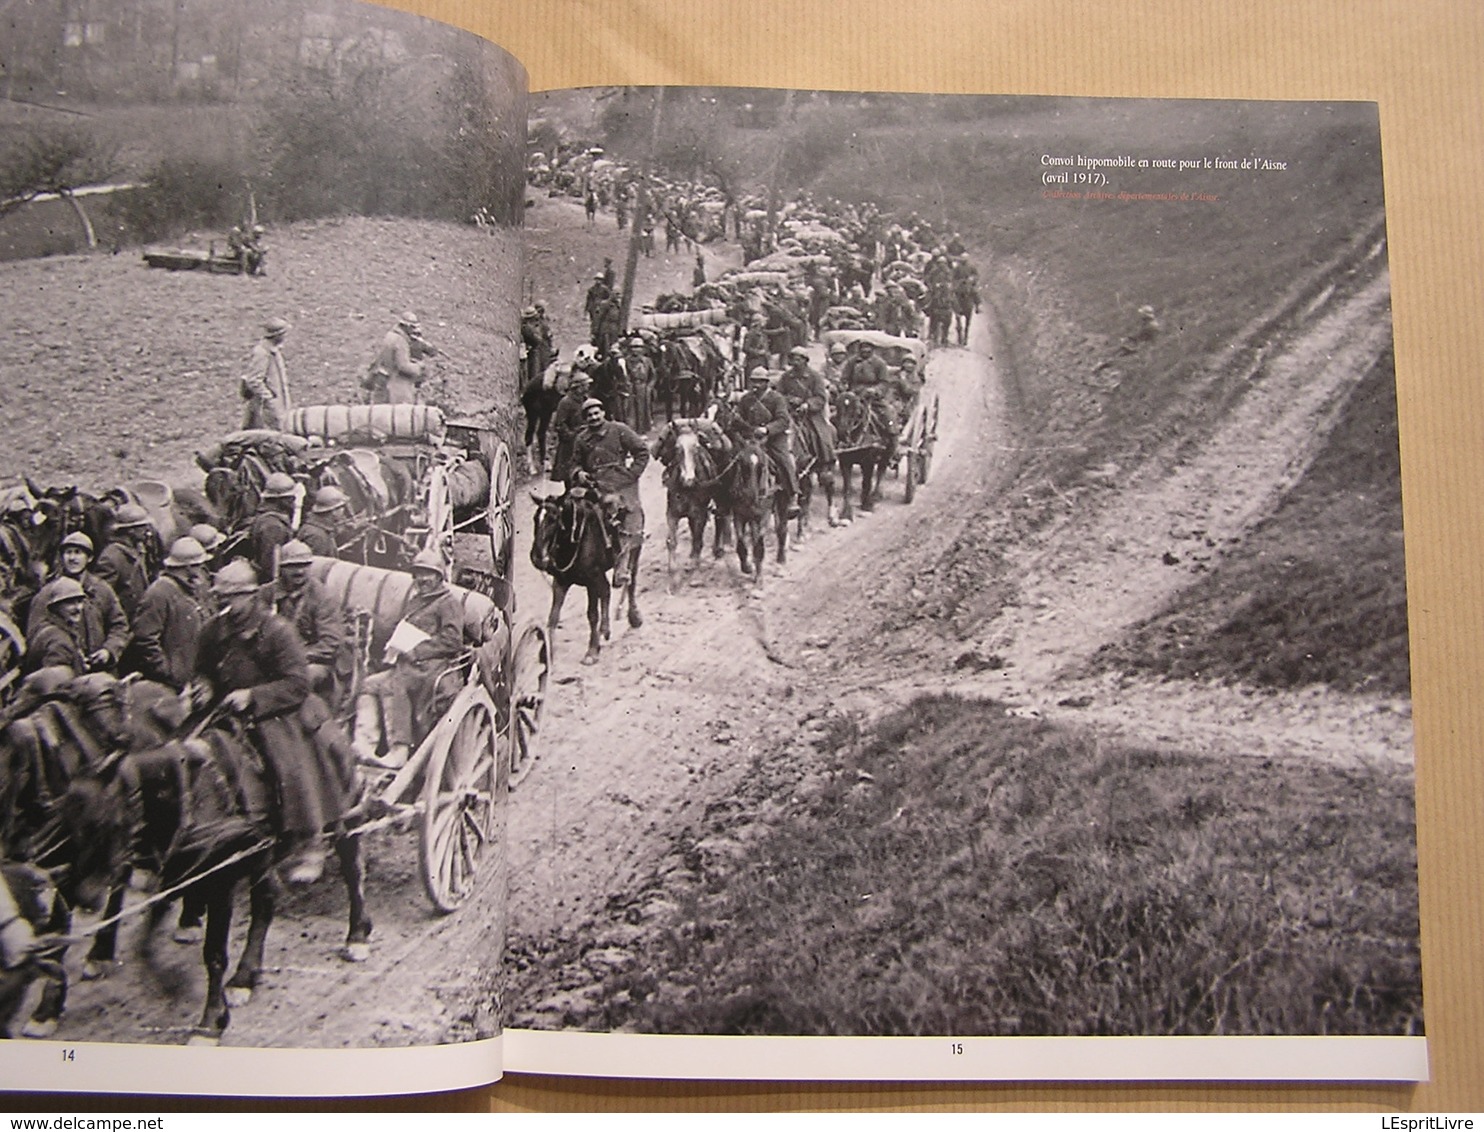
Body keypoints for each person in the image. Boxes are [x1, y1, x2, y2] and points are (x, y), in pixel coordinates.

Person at [193, 560, 352, 885]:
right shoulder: (212, 630)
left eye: (233, 597)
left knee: (291, 761)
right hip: (226, 708)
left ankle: (310, 839)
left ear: (251, 596)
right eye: (221, 598)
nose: (226, 605)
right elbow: (203, 669)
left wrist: (253, 696)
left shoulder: (278, 631)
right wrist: (202, 686)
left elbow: (297, 684)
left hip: (282, 710)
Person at [354, 549, 464, 771]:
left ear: (439, 576)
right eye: (418, 574)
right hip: (409, 664)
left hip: (434, 666)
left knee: (395, 684)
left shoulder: (448, 603)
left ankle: (399, 750)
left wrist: (417, 651)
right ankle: (365, 744)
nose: (422, 579)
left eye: (428, 574)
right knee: (369, 684)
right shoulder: (416, 601)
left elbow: (453, 641)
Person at [569, 398, 649, 598]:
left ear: (603, 413)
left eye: (597, 413)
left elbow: (642, 451)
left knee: (625, 516)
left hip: (621, 485)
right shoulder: (581, 438)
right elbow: (574, 463)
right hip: (595, 485)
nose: (594, 418)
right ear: (585, 419)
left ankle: (622, 566)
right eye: (589, 415)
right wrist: (579, 473)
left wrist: (631, 474)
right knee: (574, 511)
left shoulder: (619, 429)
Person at [28, 533, 129, 674]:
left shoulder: (101, 589)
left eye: (78, 553)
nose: (72, 558)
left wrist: (108, 650)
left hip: (100, 672)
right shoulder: (48, 593)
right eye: (68, 552)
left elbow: (119, 625)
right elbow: (35, 633)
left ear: (89, 558)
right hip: (62, 669)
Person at [258, 540, 345, 702]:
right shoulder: (265, 594)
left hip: (310, 660)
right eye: (292, 566)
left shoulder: (322, 597)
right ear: (281, 568)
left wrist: (294, 656)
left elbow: (331, 642)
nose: (299, 571)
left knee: (300, 681)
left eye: (304, 565)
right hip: (271, 657)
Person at [127, 536, 208, 691]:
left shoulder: (192, 589)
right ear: (189, 566)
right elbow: (145, 639)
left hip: (191, 680)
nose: (201, 568)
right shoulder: (158, 593)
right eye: (199, 564)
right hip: (169, 686)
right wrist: (169, 673)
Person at [726, 367, 800, 518]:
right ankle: (725, 499)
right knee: (730, 460)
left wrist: (767, 429)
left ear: (767, 383)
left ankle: (793, 495)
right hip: (750, 438)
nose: (756, 385)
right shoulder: (746, 399)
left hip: (773, 439)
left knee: (784, 460)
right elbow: (739, 419)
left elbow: (783, 420)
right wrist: (735, 422)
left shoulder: (777, 398)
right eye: (754, 381)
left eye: (760, 382)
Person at [778, 347, 835, 476]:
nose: (795, 362)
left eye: (798, 359)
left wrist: (807, 405)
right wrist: (789, 400)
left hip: (810, 415)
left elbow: (820, 397)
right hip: (789, 413)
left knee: (821, 434)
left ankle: (824, 464)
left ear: (805, 361)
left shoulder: (815, 377)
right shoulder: (786, 377)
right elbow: (779, 395)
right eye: (793, 359)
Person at [92, 503, 154, 622]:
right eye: (142, 527)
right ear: (130, 530)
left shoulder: (137, 549)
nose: (147, 531)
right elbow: (101, 596)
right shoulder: (112, 557)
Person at [24, 579, 89, 676]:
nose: (77, 608)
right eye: (70, 603)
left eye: (79, 602)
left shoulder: (50, 629)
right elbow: (56, 681)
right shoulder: (58, 640)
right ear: (55, 607)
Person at [365, 311, 430, 404]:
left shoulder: (390, 336)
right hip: (395, 384)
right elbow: (403, 366)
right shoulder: (400, 341)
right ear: (406, 326)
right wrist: (419, 367)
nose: (413, 331)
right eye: (412, 328)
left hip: (382, 379)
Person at [240, 317, 291, 431]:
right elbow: (253, 380)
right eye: (284, 334)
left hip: (277, 404)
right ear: (277, 335)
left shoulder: (273, 350)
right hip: (267, 407)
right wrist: (269, 398)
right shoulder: (262, 353)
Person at [246, 472, 298, 582]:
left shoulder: (265, 518)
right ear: (280, 499)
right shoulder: (273, 526)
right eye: (290, 499)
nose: (293, 503)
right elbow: (271, 565)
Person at [549, 364, 595, 484]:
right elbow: (560, 424)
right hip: (570, 444)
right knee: (569, 473)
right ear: (578, 387)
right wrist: (572, 435)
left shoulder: (585, 399)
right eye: (586, 385)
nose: (588, 387)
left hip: (586, 440)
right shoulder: (566, 402)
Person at [297, 486, 348, 558]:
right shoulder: (317, 536)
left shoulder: (316, 528)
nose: (343, 510)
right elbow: (316, 566)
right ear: (333, 511)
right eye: (341, 507)